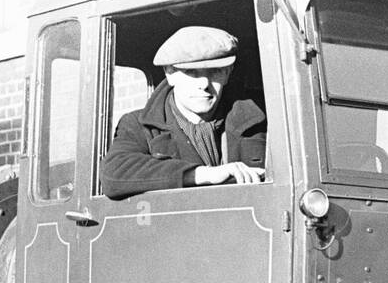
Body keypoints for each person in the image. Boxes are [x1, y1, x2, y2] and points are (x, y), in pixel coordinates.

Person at [101, 26, 267, 199]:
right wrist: (203, 174)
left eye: (214, 71)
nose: (204, 83)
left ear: (227, 73)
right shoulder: (138, 125)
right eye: (191, 72)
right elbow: (113, 174)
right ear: (170, 74)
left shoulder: (260, 116)